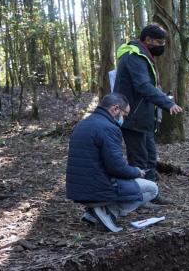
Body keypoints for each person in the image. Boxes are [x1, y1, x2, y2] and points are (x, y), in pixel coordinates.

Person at [66, 93, 159, 233]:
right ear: (115, 109)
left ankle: (92, 214)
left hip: (77, 188)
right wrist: (136, 172)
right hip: (97, 188)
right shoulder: (109, 128)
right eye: (124, 114)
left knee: (133, 182)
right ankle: (109, 212)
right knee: (152, 189)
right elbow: (116, 167)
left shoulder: (84, 123)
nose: (124, 119)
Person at [114, 23, 183, 203]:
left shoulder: (143, 55)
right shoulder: (134, 56)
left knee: (151, 157)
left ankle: (152, 194)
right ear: (147, 40)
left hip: (144, 118)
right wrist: (166, 103)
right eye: (159, 42)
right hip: (132, 117)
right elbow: (143, 86)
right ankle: (139, 197)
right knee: (139, 160)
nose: (162, 46)